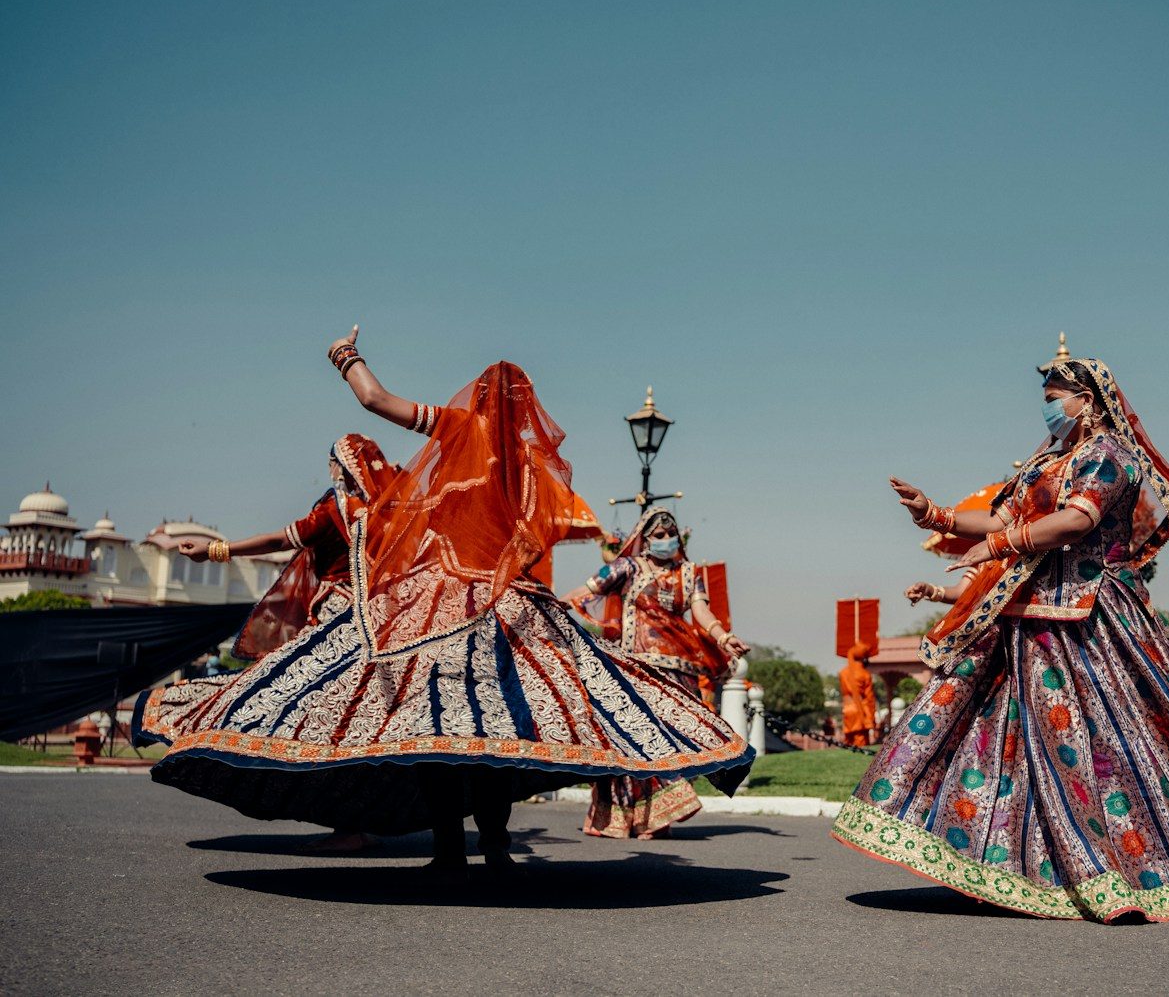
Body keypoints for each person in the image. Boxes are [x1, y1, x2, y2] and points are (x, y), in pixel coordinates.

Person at [140, 328, 752, 873]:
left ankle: (449, 850)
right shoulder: (529, 461)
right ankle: (496, 845)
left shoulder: (460, 429)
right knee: (497, 732)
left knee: (432, 727)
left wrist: (345, 356)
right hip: (512, 606)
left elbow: (375, 401)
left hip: (443, 603)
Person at [831, 343, 1169, 921]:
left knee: (1123, 736)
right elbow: (1001, 516)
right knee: (998, 733)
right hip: (1028, 608)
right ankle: (1024, 862)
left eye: (1053, 399)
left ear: (1085, 401)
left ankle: (1149, 859)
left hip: (1092, 615)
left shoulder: (1111, 453)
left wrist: (997, 546)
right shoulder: (1046, 461)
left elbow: (1077, 520)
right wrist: (937, 515)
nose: (1047, 409)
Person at [135, 433, 395, 854]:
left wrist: (215, 551)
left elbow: (281, 541)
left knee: (285, 704)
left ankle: (350, 827)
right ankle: (362, 823)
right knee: (357, 723)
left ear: (339, 467)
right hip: (378, 625)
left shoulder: (336, 509)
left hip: (336, 621)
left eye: (331, 462)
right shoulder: (385, 512)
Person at [563, 507, 749, 838]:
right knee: (633, 740)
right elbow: (588, 591)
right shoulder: (627, 567)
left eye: (671, 534)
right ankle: (629, 818)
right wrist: (552, 604)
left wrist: (723, 636)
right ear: (645, 539)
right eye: (659, 535)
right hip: (635, 667)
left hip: (680, 669)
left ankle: (657, 817)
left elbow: (701, 610)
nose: (666, 540)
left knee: (671, 742)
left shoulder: (689, 573)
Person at [839, 642, 877, 748]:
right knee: (861, 741)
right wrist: (871, 717)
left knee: (848, 740)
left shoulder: (843, 673)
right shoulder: (865, 674)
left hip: (847, 709)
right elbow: (869, 698)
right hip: (861, 710)